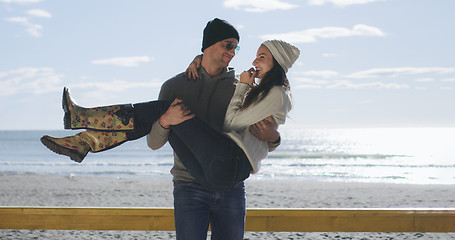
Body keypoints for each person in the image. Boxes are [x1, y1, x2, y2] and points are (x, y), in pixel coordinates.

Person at [40, 18, 300, 239]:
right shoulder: (175, 85)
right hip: (189, 185)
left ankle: (85, 130)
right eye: (228, 45)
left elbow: (255, 132)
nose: (234, 52)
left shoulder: (243, 90)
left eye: (236, 47)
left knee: (161, 107)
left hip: (230, 188)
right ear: (208, 45)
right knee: (164, 110)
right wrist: (166, 123)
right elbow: (154, 143)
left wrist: (274, 138)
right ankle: (84, 140)